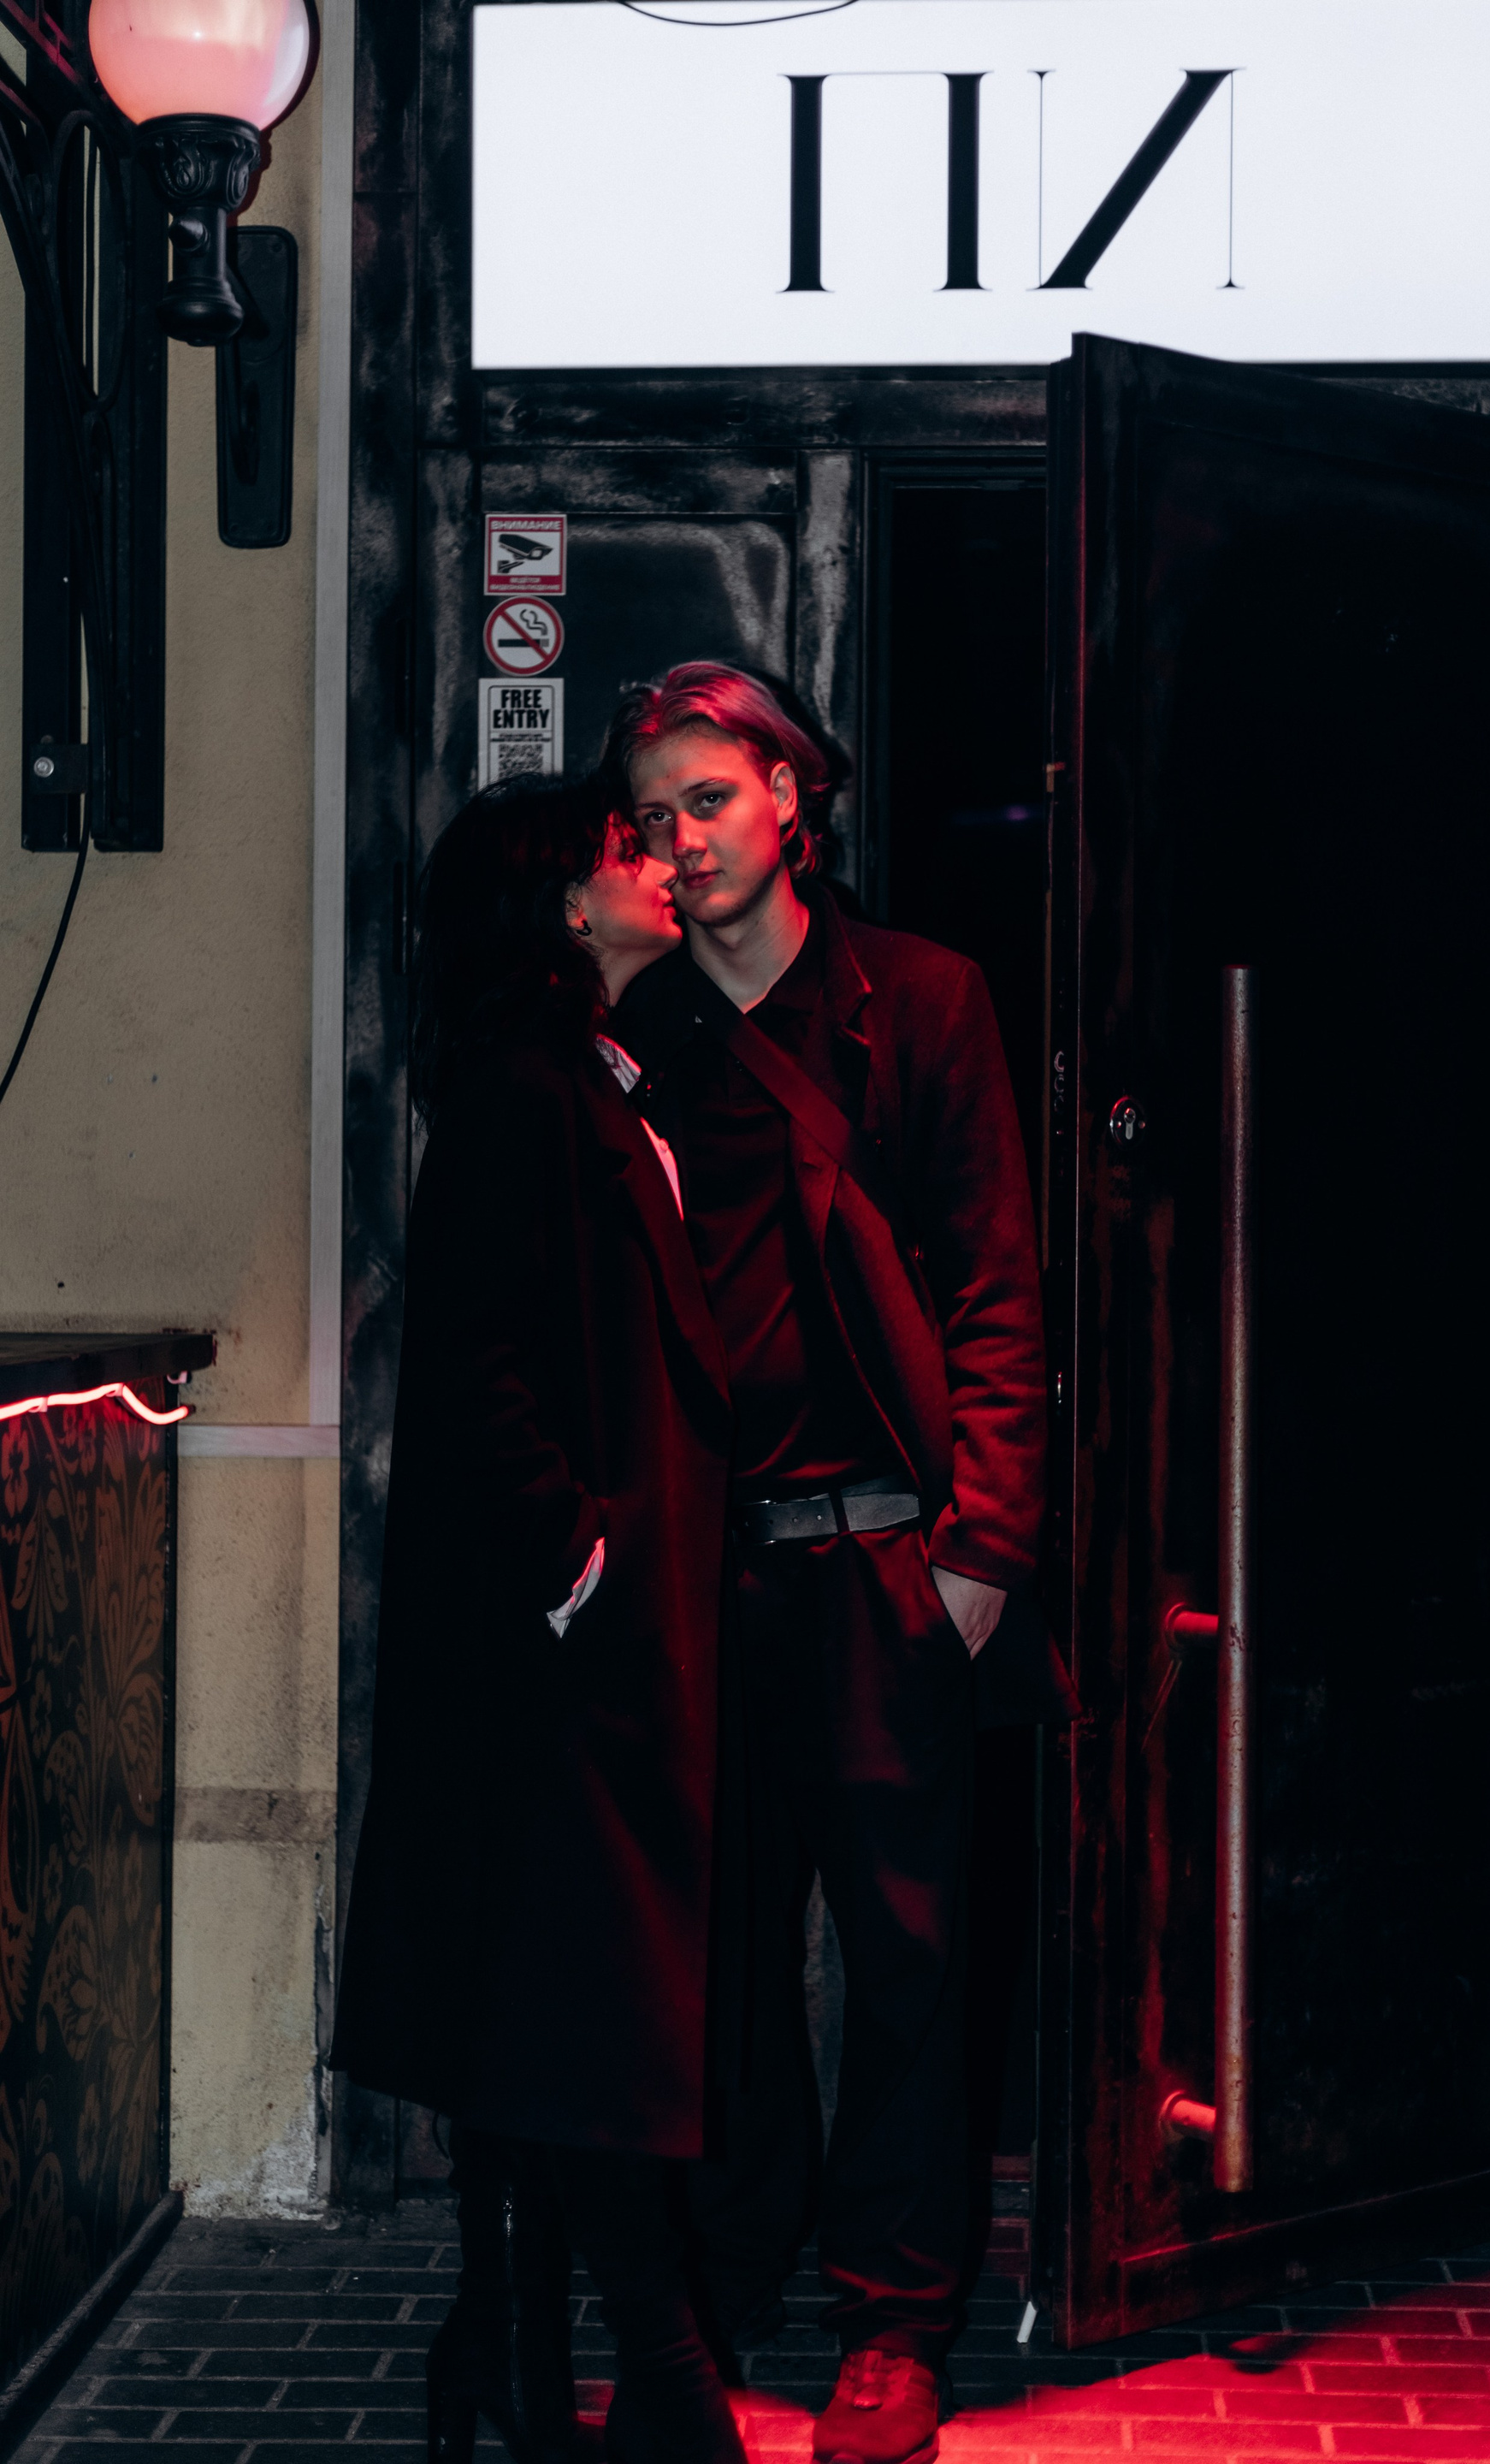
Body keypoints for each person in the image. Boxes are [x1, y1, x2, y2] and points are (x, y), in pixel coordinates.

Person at [606, 666, 1048, 2464]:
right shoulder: (638, 1029)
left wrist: (982, 1552)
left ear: (793, 798)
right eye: (654, 815)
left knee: (908, 1963)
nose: (682, 840)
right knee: (712, 1960)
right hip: (707, 1577)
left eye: (710, 798)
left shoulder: (918, 1002)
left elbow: (1000, 1286)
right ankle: (728, 2277)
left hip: (883, 1561)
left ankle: (893, 2319)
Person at [329, 775, 746, 2464]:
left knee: (542, 2014)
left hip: (585, 1646)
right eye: (627, 848)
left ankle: (506, 2358)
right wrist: (589, 1564)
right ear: (568, 908)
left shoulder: (585, 1079)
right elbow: (478, 1371)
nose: (662, 862)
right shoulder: (526, 1094)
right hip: (558, 1657)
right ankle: (652, 2377)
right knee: (588, 2019)